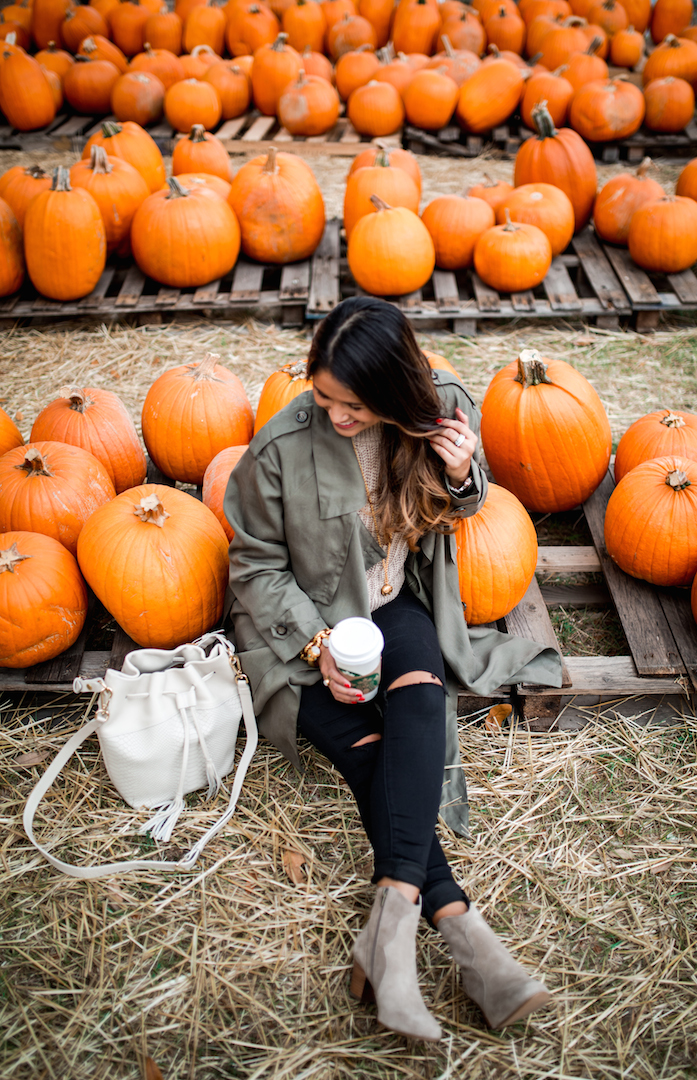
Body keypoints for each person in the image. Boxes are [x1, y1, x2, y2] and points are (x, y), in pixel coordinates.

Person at [224, 296, 563, 1041]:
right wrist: (317, 647)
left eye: (354, 403)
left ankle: (392, 931)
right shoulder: (279, 448)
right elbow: (251, 564)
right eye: (325, 398)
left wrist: (464, 470)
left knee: (417, 695)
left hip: (391, 608)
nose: (339, 415)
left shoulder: (439, 410)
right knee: (375, 757)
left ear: (392, 388)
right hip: (300, 635)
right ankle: (466, 935)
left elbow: (460, 511)